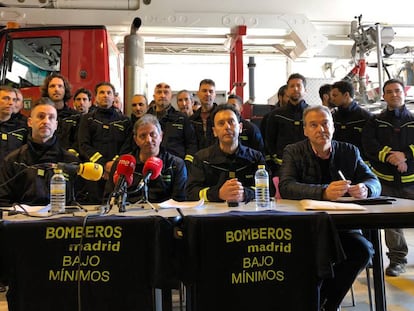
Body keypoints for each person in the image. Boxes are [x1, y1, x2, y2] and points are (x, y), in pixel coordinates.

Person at [279, 105, 381, 311]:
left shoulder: (349, 151)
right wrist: (324, 192)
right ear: (305, 130)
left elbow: (373, 180)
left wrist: (366, 189)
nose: (320, 129)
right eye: (313, 125)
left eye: (325, 123)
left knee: (363, 250)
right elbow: (286, 186)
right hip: (307, 226)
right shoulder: (293, 151)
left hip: (343, 225)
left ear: (333, 127)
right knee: (311, 257)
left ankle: (325, 304)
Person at [362, 78, 413, 277]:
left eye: (397, 91)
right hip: (385, 181)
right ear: (384, 96)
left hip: (412, 180)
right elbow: (369, 145)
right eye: (389, 92)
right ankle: (397, 261)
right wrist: (392, 157)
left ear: (404, 93)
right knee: (392, 224)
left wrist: (406, 155)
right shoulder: (374, 122)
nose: (394, 94)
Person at [0, 97, 79, 206]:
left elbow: (80, 200)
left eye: (51, 118)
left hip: (61, 220)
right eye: (41, 116)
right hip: (22, 221)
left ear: (56, 125)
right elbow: (3, 200)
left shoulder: (71, 162)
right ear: (30, 122)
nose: (46, 121)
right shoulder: (13, 161)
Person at [186, 104, 271, 203]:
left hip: (248, 214)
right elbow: (191, 192)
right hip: (212, 216)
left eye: (231, 122)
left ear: (240, 128)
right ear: (214, 131)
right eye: (221, 123)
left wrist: (245, 193)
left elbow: (269, 189)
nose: (227, 126)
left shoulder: (255, 158)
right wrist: (218, 194)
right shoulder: (202, 158)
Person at [104, 114, 187, 203]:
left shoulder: (175, 164)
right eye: (143, 136)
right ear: (136, 140)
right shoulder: (123, 163)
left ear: (161, 136)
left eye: (153, 134)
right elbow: (108, 199)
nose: (148, 140)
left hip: (164, 214)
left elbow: (180, 201)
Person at [78, 82, 132, 203]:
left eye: (109, 93)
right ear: (96, 97)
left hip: (117, 172)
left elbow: (127, 146)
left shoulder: (125, 121)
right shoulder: (87, 119)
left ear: (114, 97)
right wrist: (102, 165)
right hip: (93, 172)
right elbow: (83, 145)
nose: (105, 95)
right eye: (101, 92)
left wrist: (114, 164)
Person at [265, 73, 309, 177]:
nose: (295, 89)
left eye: (299, 86)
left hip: (308, 165)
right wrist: (274, 160)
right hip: (282, 167)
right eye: (292, 86)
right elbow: (269, 140)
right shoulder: (276, 115)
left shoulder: (312, 114)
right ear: (287, 91)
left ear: (305, 90)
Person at [147, 82, 197, 164]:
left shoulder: (182, 119)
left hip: (176, 167)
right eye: (159, 92)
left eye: (166, 92)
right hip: (150, 165)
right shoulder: (145, 119)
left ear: (171, 96)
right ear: (154, 96)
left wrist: (187, 163)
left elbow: (192, 144)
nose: (162, 95)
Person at [330, 80, 373, 158]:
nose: (332, 99)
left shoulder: (365, 117)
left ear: (346, 95)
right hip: (338, 160)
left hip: (360, 161)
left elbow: (370, 143)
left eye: (335, 95)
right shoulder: (333, 117)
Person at [0, 86, 28, 169]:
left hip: (11, 177)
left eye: (14, 100)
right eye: (6, 98)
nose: (11, 103)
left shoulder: (22, 127)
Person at [190, 79, 218, 150]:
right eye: (204, 91)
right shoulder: (192, 119)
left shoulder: (221, 117)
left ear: (215, 95)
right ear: (198, 94)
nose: (207, 94)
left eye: (211, 91)